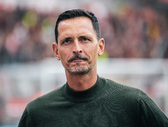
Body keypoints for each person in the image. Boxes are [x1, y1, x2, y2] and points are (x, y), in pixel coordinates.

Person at [18, 9, 168, 127]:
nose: (77, 48)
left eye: (84, 39)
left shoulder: (134, 103)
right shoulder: (36, 113)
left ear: (100, 46)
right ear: (56, 51)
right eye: (67, 41)